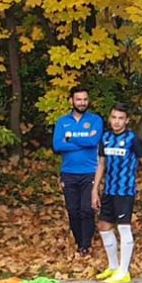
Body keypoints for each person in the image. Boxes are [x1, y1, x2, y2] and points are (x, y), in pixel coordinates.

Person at [91, 104, 142, 283]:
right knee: (104, 226)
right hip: (109, 190)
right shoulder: (105, 138)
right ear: (110, 118)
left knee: (123, 227)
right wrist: (94, 189)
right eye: (114, 117)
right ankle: (113, 266)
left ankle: (124, 271)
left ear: (127, 120)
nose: (116, 121)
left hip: (125, 191)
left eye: (121, 118)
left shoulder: (132, 139)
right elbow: (101, 164)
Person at [52, 86, 103, 258]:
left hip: (90, 171)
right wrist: (84, 139)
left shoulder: (95, 120)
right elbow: (58, 145)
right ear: (71, 101)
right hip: (68, 172)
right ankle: (79, 242)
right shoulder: (62, 122)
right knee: (73, 210)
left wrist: (70, 137)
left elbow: (93, 141)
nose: (82, 103)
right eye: (79, 99)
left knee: (87, 209)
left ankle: (86, 246)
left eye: (85, 99)